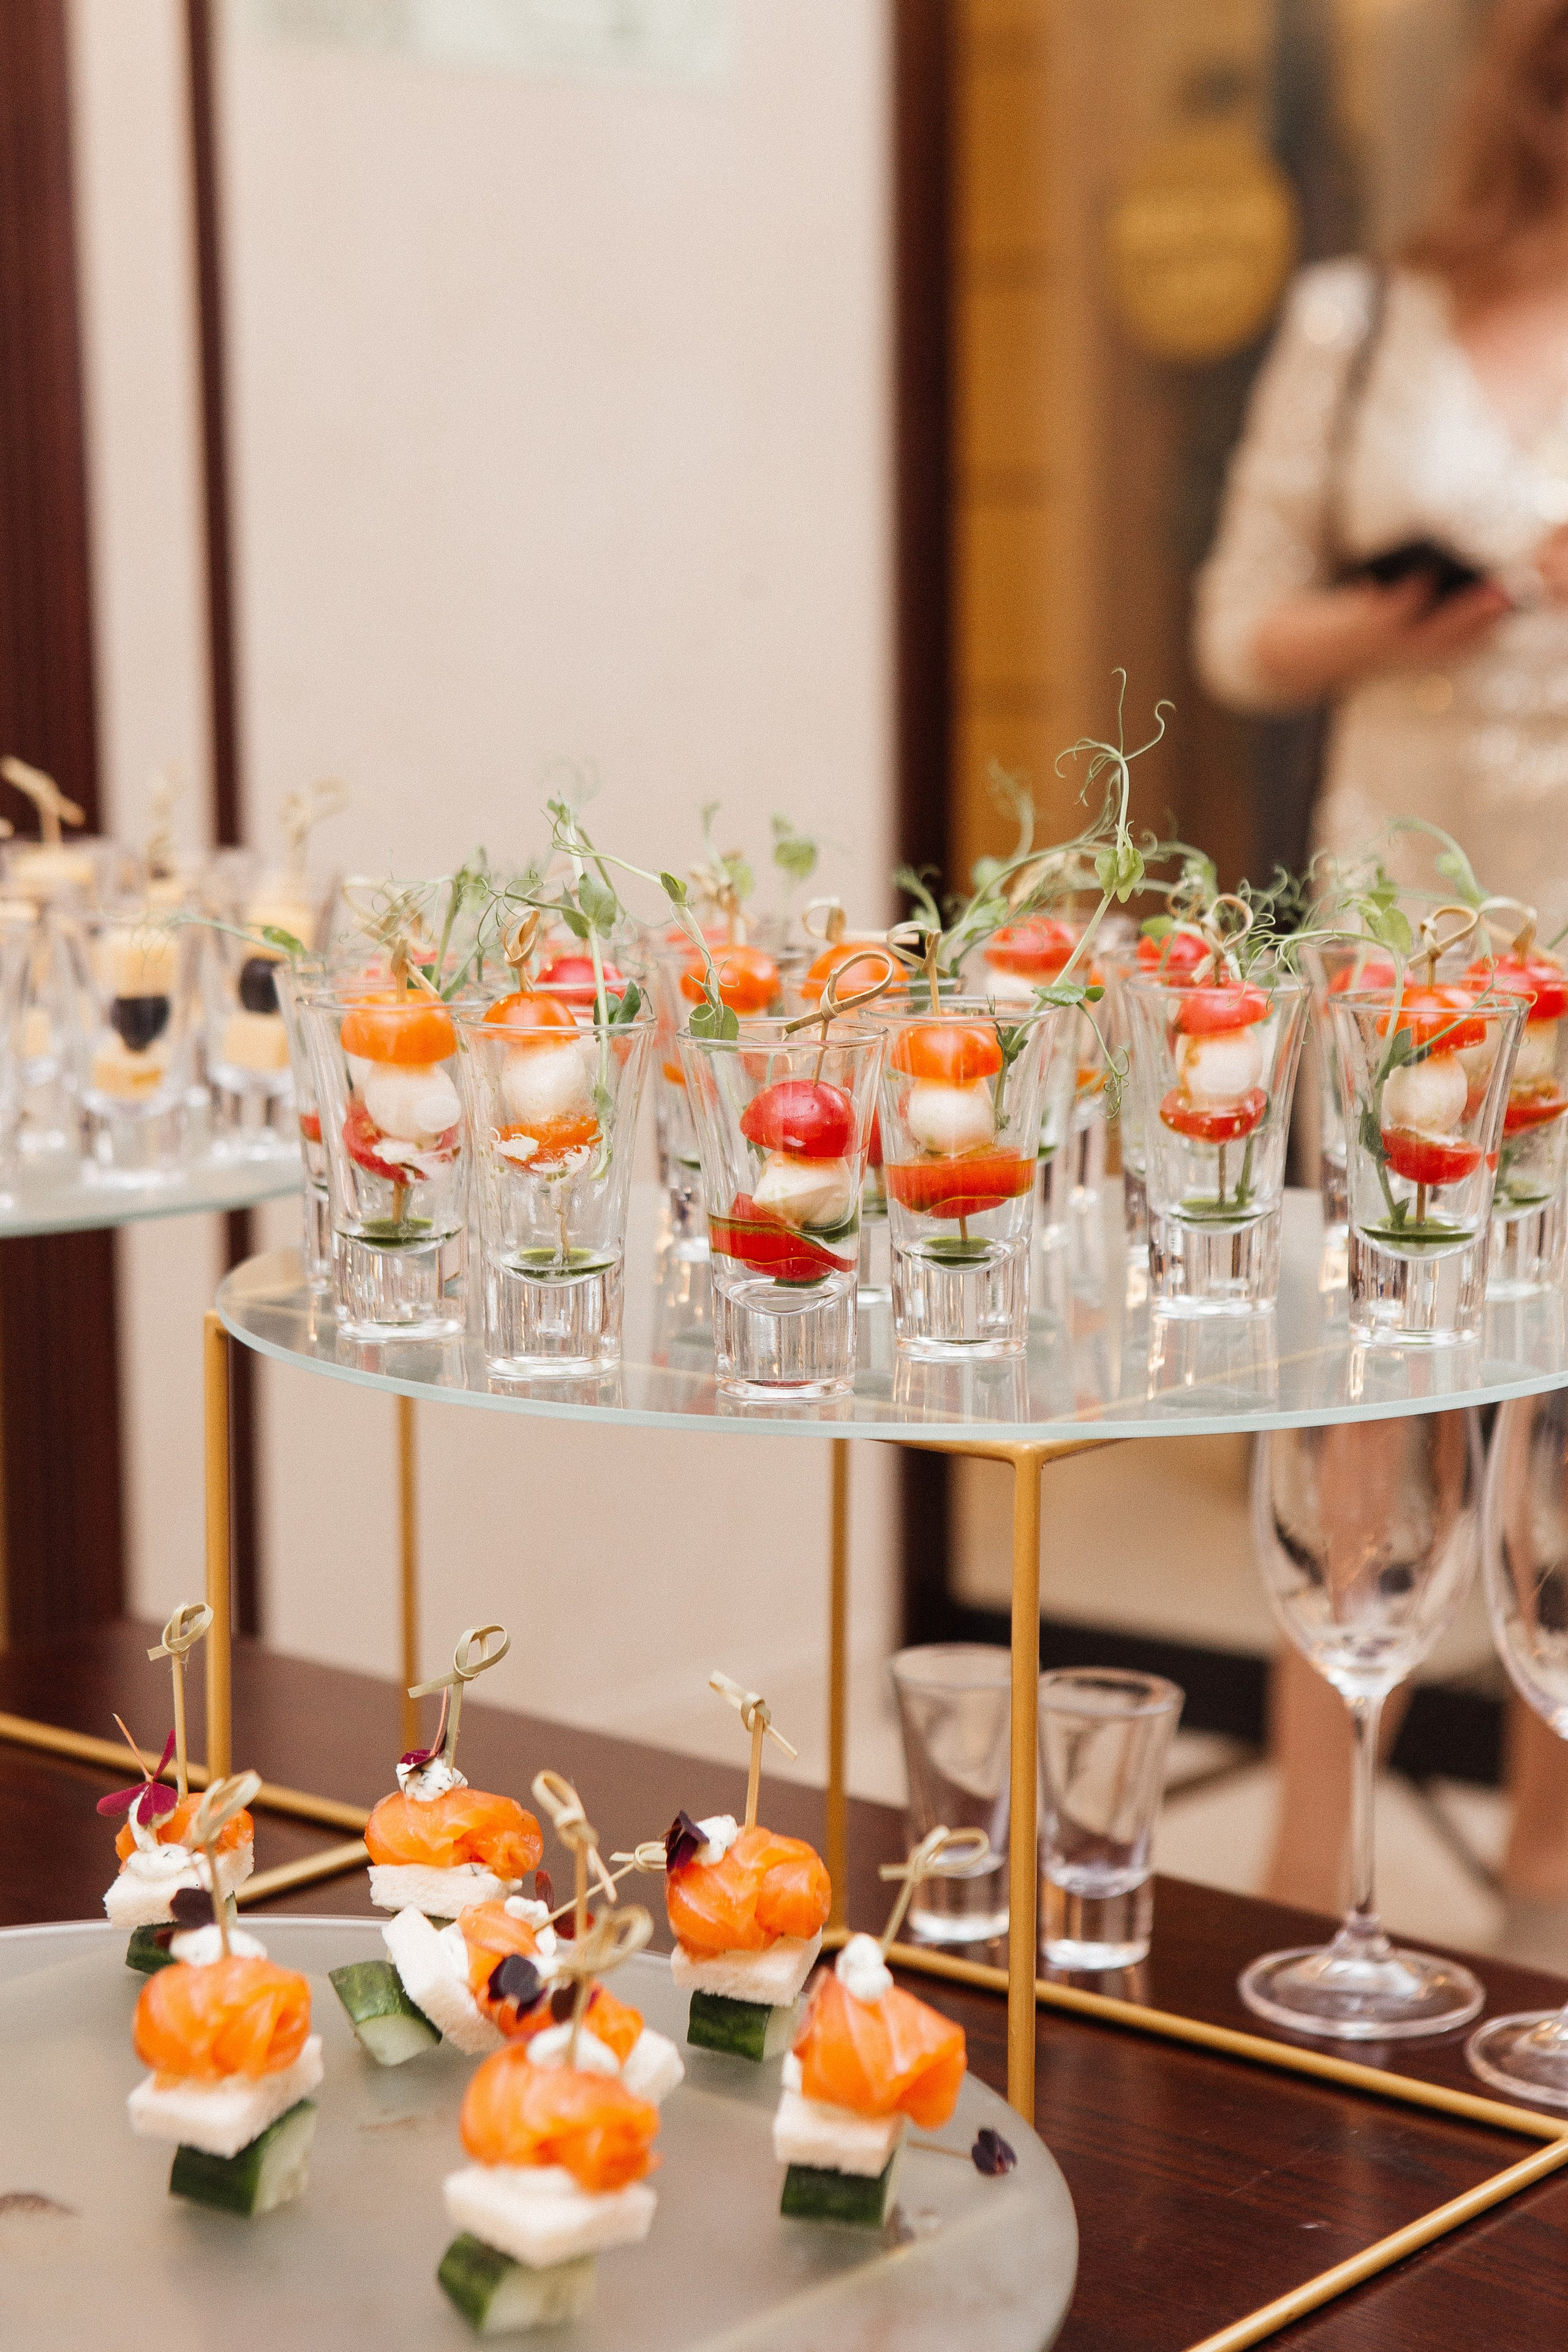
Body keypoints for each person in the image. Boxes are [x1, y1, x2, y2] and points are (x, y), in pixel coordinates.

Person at [1194, 0, 1568, 1950]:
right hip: (1402, 909)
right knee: (1374, 1372)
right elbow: (1240, 633)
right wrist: (1411, 615)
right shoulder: (1362, 315)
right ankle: (1302, 1857)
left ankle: (1548, 1858)